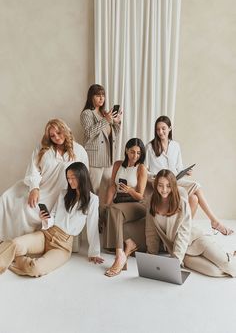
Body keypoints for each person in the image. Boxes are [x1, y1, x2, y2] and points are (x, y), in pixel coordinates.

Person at [0, 162, 104, 277]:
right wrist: (45, 218)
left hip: (62, 246)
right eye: (68, 178)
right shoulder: (64, 194)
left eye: (73, 178)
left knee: (36, 268)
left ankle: (14, 258)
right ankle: (6, 259)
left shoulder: (93, 200)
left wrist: (94, 253)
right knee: (14, 243)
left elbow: (93, 226)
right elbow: (53, 216)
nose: (70, 181)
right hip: (46, 234)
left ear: (82, 177)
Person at [0, 119, 89, 241]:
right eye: (52, 135)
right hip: (40, 186)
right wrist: (34, 188)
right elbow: (34, 169)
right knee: (7, 198)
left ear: (65, 130)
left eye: (59, 132)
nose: (56, 137)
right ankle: (6, 240)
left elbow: (84, 176)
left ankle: (21, 243)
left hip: (61, 194)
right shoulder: (43, 148)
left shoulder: (79, 151)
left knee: (27, 209)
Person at [145, 115, 233, 235]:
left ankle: (183, 232)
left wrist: (185, 172)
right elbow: (144, 170)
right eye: (158, 129)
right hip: (160, 183)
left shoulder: (175, 146)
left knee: (194, 198)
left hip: (175, 180)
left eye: (163, 128)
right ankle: (214, 221)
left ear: (170, 128)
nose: (160, 132)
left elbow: (179, 167)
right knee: (196, 186)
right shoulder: (150, 147)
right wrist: (154, 177)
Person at [145, 169, 236, 277]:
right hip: (183, 253)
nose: (164, 189)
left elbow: (183, 232)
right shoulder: (152, 202)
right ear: (156, 185)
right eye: (160, 185)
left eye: (168, 186)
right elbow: (150, 230)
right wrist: (151, 255)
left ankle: (227, 257)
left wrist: (176, 260)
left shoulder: (181, 202)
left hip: (195, 240)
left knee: (229, 267)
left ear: (173, 186)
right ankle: (227, 256)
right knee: (214, 272)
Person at [102, 138, 147, 277]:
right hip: (119, 202)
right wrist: (106, 204)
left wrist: (129, 190)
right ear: (126, 150)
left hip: (136, 204)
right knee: (106, 210)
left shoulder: (141, 168)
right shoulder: (118, 165)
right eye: (132, 152)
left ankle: (119, 256)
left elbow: (140, 196)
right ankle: (129, 243)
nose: (135, 156)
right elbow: (112, 186)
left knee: (114, 211)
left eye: (139, 153)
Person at [80, 84, 121, 204]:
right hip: (95, 159)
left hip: (108, 158)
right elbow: (89, 133)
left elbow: (113, 135)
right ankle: (90, 219)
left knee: (111, 187)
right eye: (98, 95)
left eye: (103, 95)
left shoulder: (104, 114)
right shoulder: (87, 113)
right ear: (91, 97)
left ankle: (105, 214)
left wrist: (116, 123)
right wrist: (106, 120)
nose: (101, 98)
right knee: (93, 191)